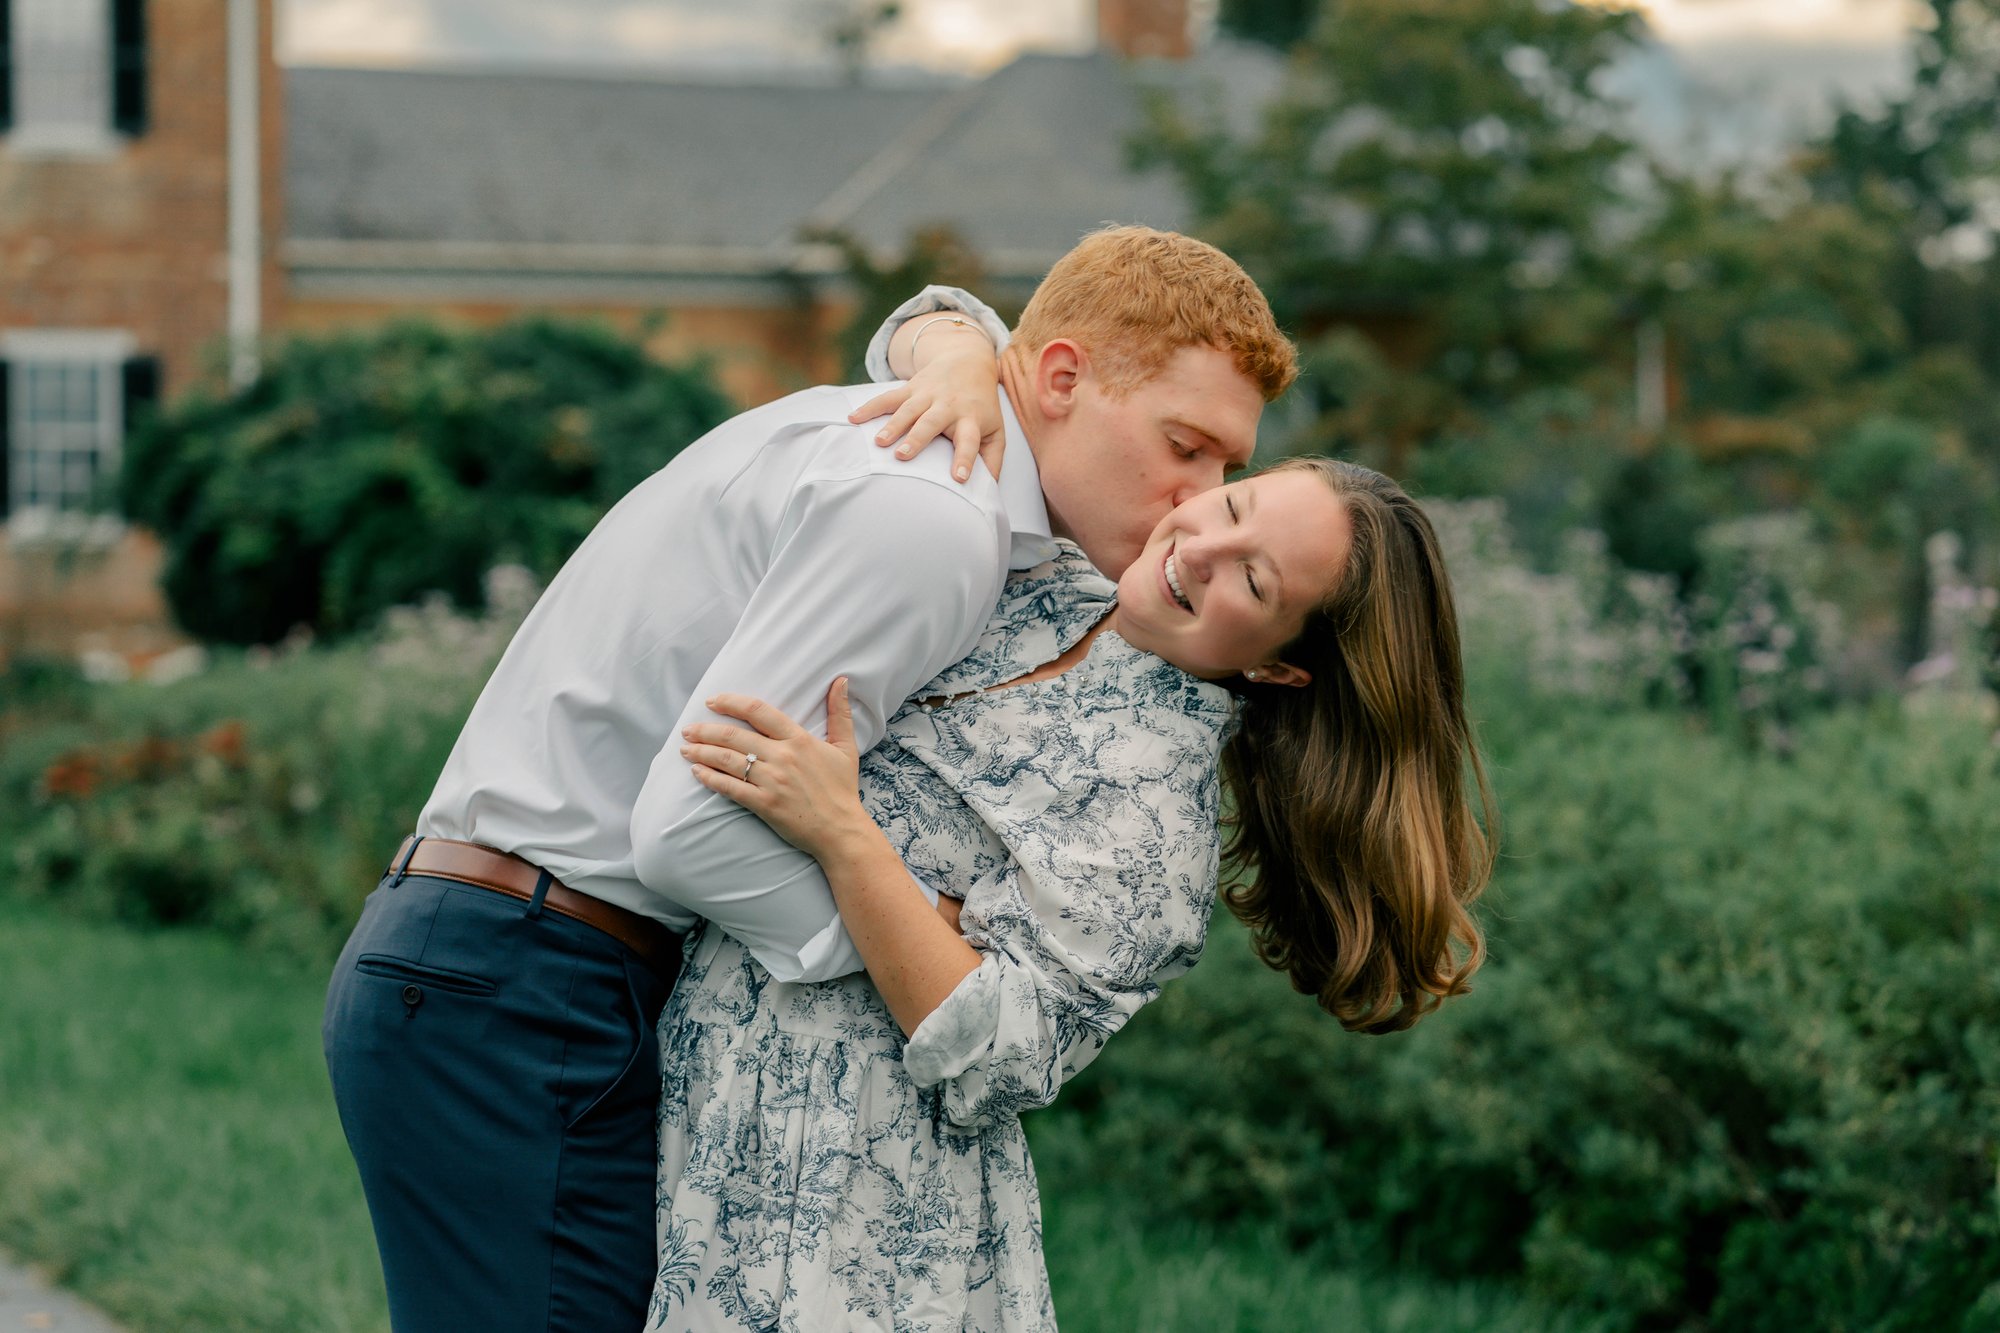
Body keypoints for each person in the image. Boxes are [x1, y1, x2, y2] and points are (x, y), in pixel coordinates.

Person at [319, 225, 1295, 1332]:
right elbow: (686, 829)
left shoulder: (921, 456)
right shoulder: (935, 520)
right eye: (1186, 446)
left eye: (1224, 469)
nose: (1193, 495)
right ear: (1062, 378)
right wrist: (900, 941)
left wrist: (953, 339)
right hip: (521, 982)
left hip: (497, 959)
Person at [648, 455, 1495, 1330]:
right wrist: (947, 346)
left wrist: (845, 835)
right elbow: (1023, 371)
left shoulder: (1157, 823)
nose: (1204, 546)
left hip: (843, 1195)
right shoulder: (1046, 571)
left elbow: (995, 1057)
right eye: (1232, 504)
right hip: (686, 1072)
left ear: (1282, 669)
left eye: (1252, 576)